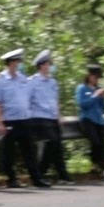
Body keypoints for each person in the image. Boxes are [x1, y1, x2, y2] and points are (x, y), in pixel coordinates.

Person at [0, 48, 46, 188]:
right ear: (11, 63)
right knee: (8, 153)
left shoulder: (23, 78)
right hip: (9, 120)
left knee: (29, 152)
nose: (19, 64)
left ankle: (37, 179)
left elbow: (28, 98)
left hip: (24, 119)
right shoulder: (0, 80)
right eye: (17, 61)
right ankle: (12, 179)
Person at [29, 50, 74, 185]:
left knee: (55, 145)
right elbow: (27, 99)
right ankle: (59, 174)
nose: (50, 66)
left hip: (51, 117)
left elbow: (55, 100)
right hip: (38, 117)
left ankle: (43, 174)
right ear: (41, 65)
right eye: (48, 63)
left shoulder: (53, 82)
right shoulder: (32, 81)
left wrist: (59, 116)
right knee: (53, 142)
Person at [76, 63, 104, 175]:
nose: (97, 80)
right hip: (87, 119)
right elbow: (82, 104)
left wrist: (102, 97)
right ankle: (95, 165)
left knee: (101, 144)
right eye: (95, 77)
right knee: (95, 142)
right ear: (89, 76)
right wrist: (94, 96)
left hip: (98, 119)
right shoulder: (82, 88)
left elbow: (100, 106)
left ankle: (99, 167)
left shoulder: (98, 88)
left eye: (98, 78)